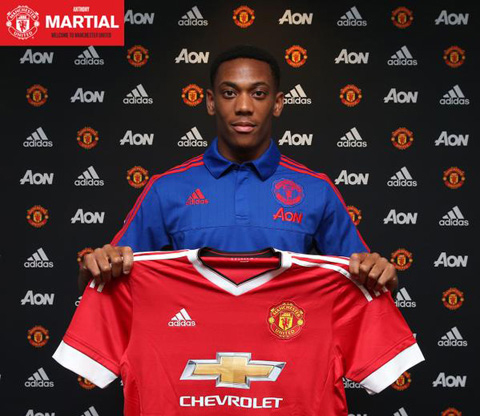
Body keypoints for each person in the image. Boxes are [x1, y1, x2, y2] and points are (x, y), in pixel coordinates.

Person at [78, 45, 397, 293]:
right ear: (210, 101)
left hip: (286, 350)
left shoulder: (316, 189)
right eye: (229, 93)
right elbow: (105, 280)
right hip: (190, 354)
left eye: (258, 94)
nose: (244, 106)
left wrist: (382, 274)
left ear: (277, 103)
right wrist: (96, 267)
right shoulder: (167, 188)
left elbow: (369, 284)